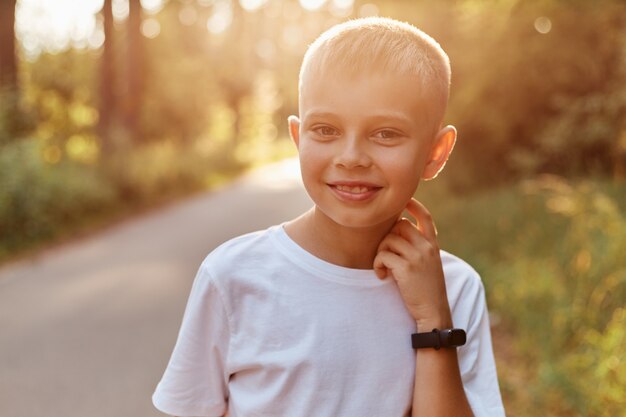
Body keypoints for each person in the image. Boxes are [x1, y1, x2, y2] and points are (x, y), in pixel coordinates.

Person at [152, 16, 505, 417]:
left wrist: (433, 321)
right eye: (325, 130)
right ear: (298, 139)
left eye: (386, 133)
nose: (351, 157)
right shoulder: (233, 276)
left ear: (435, 153)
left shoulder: (454, 290)